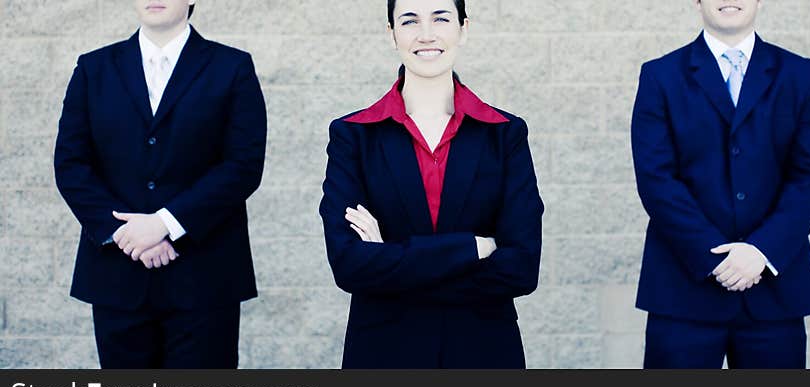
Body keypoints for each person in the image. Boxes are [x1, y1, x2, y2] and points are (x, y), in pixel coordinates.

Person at [319, 0, 544, 368]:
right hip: (384, 353)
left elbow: (521, 266)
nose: (426, 34)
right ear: (391, 34)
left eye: (441, 18)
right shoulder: (353, 136)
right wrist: (473, 248)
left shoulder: (505, 134)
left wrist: (390, 262)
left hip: (484, 352)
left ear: (463, 28)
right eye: (409, 21)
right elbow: (349, 264)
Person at [54, 0, 267, 368]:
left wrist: (164, 223)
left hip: (203, 276)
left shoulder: (232, 67)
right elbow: (71, 164)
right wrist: (124, 232)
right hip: (118, 273)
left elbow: (243, 164)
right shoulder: (94, 68)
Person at [630, 0, 810, 368]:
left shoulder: (800, 75)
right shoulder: (660, 75)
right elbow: (656, 178)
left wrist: (760, 251)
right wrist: (715, 256)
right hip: (683, 289)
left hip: (773, 289)